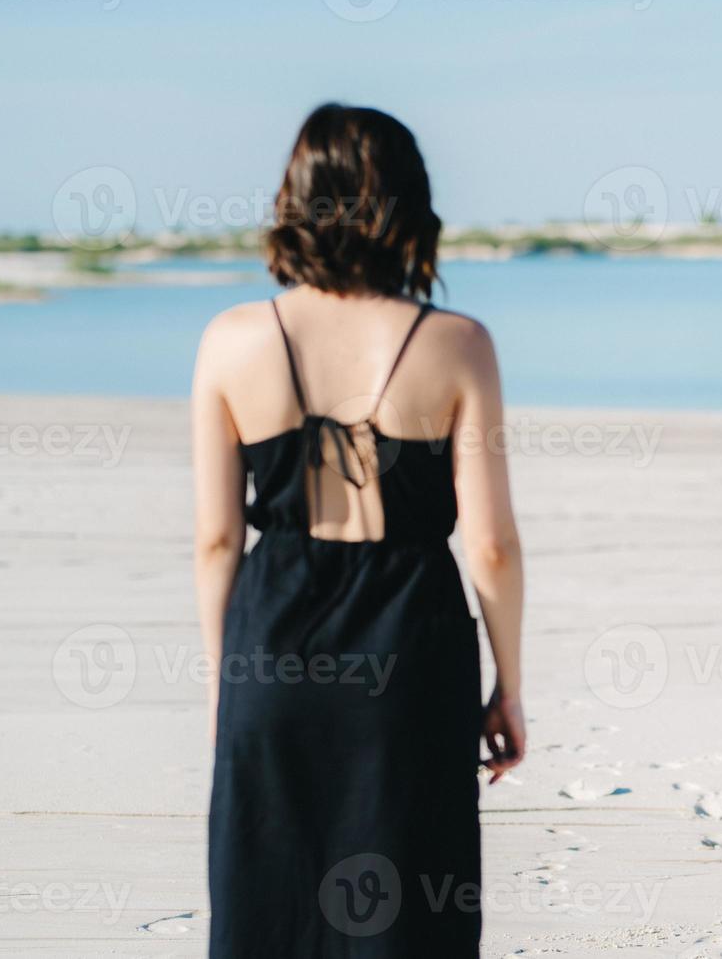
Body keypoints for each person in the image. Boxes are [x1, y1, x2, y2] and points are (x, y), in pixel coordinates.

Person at [191, 103, 524, 956]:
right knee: (414, 896)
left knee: (270, 892)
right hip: (413, 644)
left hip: (272, 640)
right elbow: (489, 543)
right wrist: (508, 685)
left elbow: (216, 541)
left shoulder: (230, 341)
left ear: (294, 198)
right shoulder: (457, 344)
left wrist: (225, 677)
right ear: (409, 204)